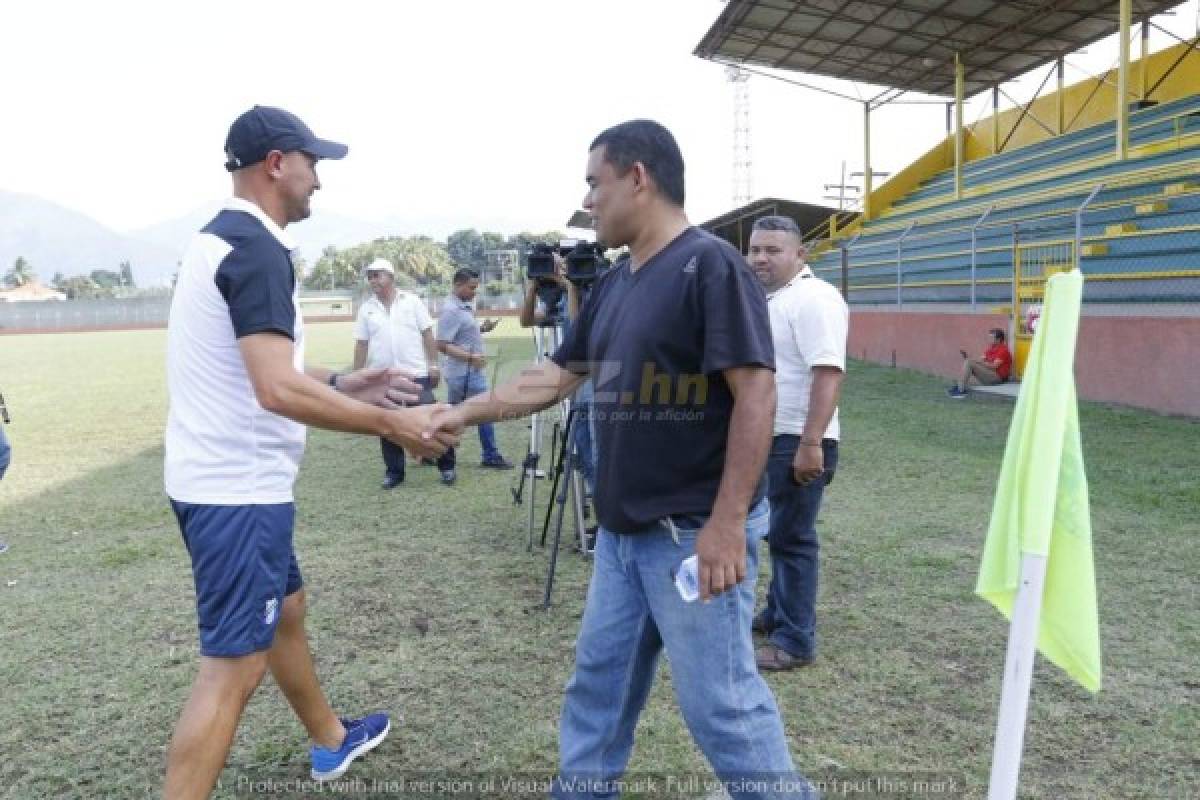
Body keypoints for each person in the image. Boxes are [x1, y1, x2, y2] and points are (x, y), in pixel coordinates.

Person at [425, 119, 815, 799]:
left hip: (691, 536)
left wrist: (726, 524)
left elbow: (756, 396)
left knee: (722, 709)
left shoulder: (710, 266)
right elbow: (552, 377)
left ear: (639, 177)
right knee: (596, 693)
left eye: (594, 184)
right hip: (621, 540)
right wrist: (459, 412)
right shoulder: (615, 284)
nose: (588, 202)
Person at [162, 105, 457, 800]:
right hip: (238, 491)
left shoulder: (222, 240)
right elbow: (273, 389)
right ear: (276, 164)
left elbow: (268, 367)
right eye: (312, 163)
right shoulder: (257, 249)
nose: (318, 179)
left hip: (224, 482)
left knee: (286, 610)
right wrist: (393, 426)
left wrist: (343, 380)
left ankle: (330, 740)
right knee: (233, 668)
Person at [746, 216, 847, 672]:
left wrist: (812, 443)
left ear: (800, 255)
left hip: (799, 439)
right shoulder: (777, 299)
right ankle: (776, 614)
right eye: (755, 250)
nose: (761, 258)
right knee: (778, 531)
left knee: (793, 538)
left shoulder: (814, 298)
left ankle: (794, 639)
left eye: (773, 250)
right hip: (775, 435)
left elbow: (827, 371)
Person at [352, 257, 444, 489]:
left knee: (431, 420)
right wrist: (357, 376)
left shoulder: (412, 301)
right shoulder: (366, 308)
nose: (373, 280)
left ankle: (447, 465)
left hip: (416, 374)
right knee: (388, 425)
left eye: (378, 274)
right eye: (370, 276)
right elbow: (361, 344)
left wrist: (433, 365)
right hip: (383, 379)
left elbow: (427, 334)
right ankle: (394, 473)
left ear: (391, 277)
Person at [434, 268, 513, 485]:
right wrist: (471, 358)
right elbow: (441, 344)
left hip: (471, 372)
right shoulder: (451, 310)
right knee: (460, 417)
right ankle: (443, 454)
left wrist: (481, 329)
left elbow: (461, 334)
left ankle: (484, 454)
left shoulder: (464, 306)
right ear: (458, 285)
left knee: (471, 414)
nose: (474, 292)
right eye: (471, 287)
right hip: (462, 374)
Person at [947, 328, 1012, 398]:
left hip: (998, 378)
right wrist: (970, 358)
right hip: (989, 374)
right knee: (969, 362)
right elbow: (981, 360)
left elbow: (993, 366)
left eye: (991, 338)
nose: (989, 339)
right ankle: (960, 387)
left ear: (998, 340)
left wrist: (975, 361)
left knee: (969, 362)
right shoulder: (990, 348)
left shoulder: (1003, 350)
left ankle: (961, 390)